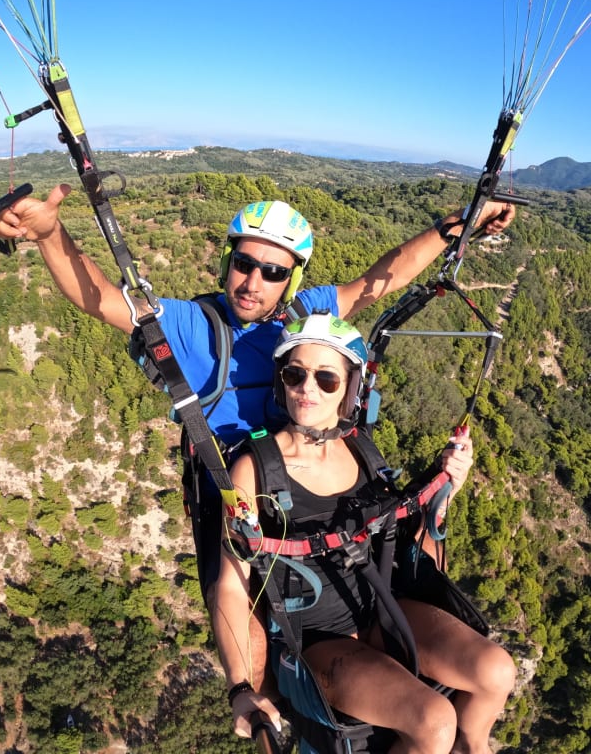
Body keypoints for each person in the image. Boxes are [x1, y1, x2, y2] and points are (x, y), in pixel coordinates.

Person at [0, 187, 514, 613]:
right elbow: (103, 297)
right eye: (245, 263)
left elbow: (382, 280)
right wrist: (50, 235)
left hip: (321, 468)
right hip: (256, 495)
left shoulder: (300, 315)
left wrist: (459, 222)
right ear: (227, 261)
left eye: (274, 272)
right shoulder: (196, 327)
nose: (254, 282)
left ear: (292, 280)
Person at [213, 312, 516, 754]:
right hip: (317, 640)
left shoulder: (361, 450)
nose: (307, 388)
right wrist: (241, 685)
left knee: (497, 670)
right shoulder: (254, 470)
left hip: (381, 609)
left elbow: (400, 538)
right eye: (295, 374)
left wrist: (445, 491)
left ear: (349, 388)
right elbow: (232, 585)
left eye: (326, 379)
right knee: (433, 721)